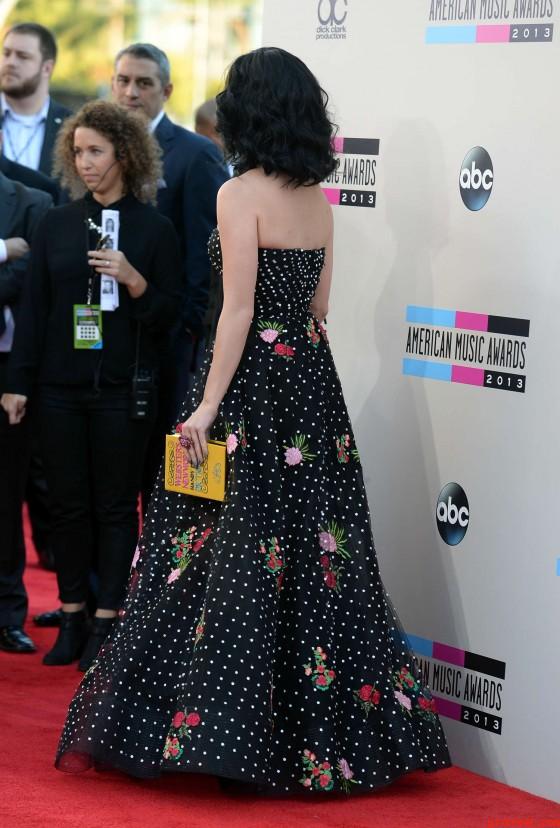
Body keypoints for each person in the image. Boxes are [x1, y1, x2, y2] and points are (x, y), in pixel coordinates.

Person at [55, 48, 451, 793]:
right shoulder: (319, 201)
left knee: (215, 548)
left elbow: (236, 310)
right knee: (313, 554)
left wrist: (206, 407)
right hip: (310, 390)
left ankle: (218, 735)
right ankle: (315, 742)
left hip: (244, 389)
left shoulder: (238, 194)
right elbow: (318, 308)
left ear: (249, 110)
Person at [1, 100, 182, 671]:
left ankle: (107, 620)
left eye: (96, 151)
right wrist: (17, 384)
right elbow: (34, 312)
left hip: (123, 390)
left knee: (115, 507)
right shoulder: (56, 223)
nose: (84, 162)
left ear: (124, 153)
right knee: (66, 508)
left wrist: (134, 281)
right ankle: (72, 614)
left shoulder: (155, 229)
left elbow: (172, 317)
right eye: (77, 151)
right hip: (58, 388)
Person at [112, 43, 229, 502]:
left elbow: (207, 255)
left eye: (143, 83)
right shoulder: (96, 150)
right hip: (110, 336)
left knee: (169, 474)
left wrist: (187, 329)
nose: (131, 92)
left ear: (166, 90)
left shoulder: (195, 154)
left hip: (172, 340)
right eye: (123, 81)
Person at [0, 167, 52, 655]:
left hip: (9, 372)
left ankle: (7, 612)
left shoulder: (33, 202)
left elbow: (30, 283)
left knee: (6, 494)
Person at [0, 22, 71, 177]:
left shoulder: (72, 127)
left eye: (23, 56)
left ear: (47, 68)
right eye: (6, 53)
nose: (10, 62)